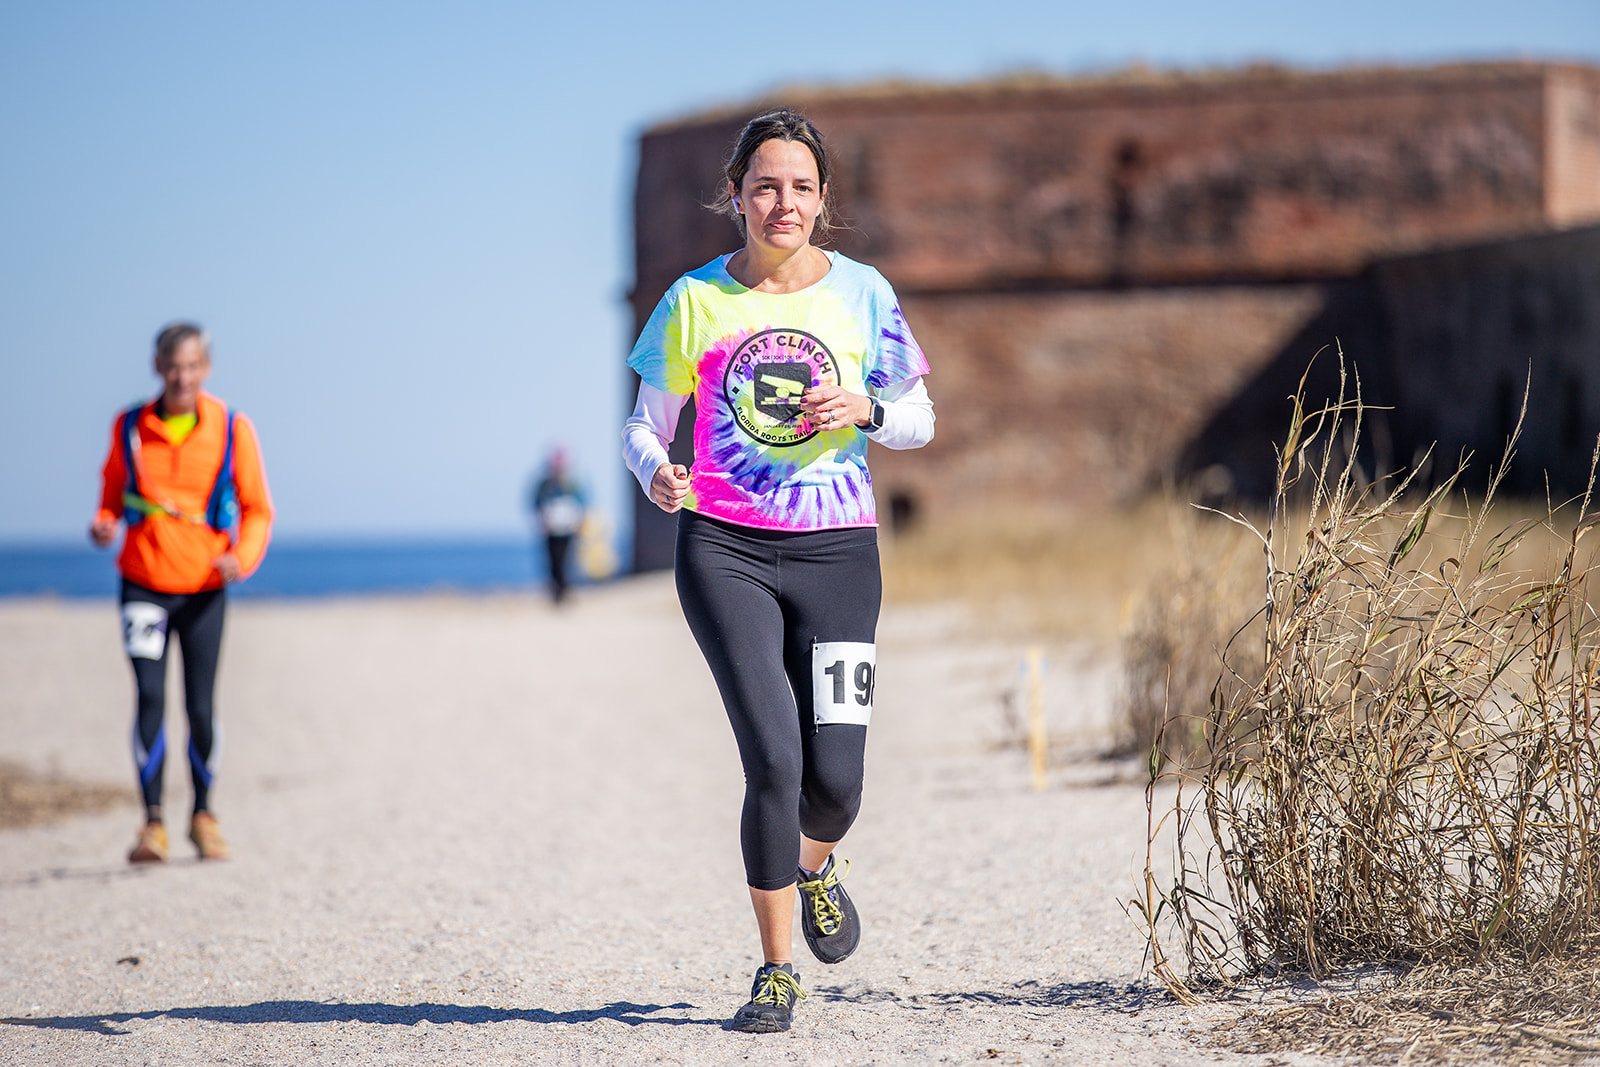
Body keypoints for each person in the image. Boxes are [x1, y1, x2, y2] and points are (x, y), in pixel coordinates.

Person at [622, 108, 935, 1033]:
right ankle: (775, 971)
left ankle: (816, 864)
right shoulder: (693, 301)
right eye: (764, 185)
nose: (782, 201)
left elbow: (921, 418)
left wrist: (867, 406)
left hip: (840, 551)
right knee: (773, 756)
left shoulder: (866, 295)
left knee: (836, 781)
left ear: (823, 200)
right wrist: (658, 472)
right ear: (736, 197)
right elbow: (644, 425)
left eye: (800, 186)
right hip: (725, 549)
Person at [89, 322, 273, 864]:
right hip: (143, 583)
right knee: (149, 697)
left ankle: (204, 816)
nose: (182, 376)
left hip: (204, 590)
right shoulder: (130, 427)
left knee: (200, 705)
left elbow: (259, 509)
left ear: (206, 368)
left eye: (192, 366)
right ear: (157, 367)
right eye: (173, 366)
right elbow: (110, 496)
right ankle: (152, 825)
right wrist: (104, 523)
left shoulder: (234, 428)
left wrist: (241, 558)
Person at [528, 448, 587, 604]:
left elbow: (583, 504)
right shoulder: (544, 486)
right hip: (551, 530)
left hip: (569, 530)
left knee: (567, 561)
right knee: (552, 562)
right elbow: (536, 504)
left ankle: (565, 591)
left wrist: (579, 522)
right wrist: (541, 521)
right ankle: (556, 592)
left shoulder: (574, 484)